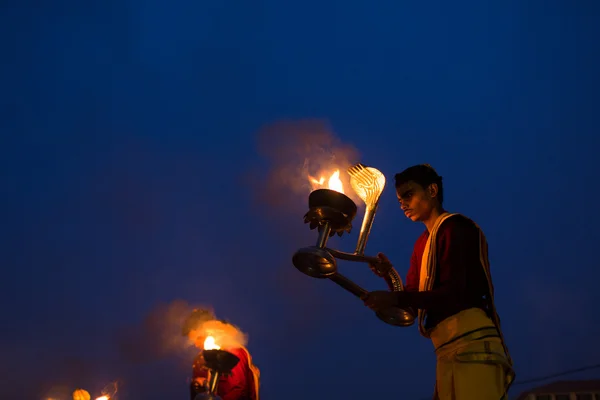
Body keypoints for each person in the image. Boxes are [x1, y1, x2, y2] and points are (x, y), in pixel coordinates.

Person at [362, 164, 515, 400]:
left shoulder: (455, 228)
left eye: (408, 194)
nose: (402, 203)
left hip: (472, 343)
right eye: (399, 198)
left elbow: (454, 293)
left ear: (432, 190)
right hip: (446, 350)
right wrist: (388, 274)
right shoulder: (421, 244)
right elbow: (411, 306)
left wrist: (394, 297)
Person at [182, 308, 260, 400]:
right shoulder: (200, 359)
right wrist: (199, 385)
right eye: (193, 340)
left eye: (198, 338)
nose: (196, 344)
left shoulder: (233, 352)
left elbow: (237, 390)